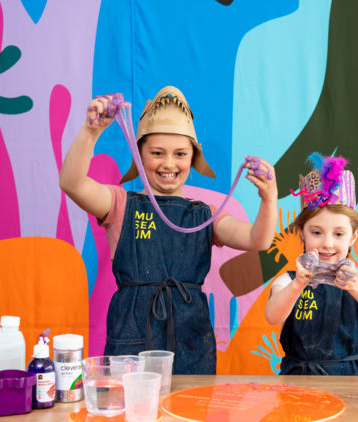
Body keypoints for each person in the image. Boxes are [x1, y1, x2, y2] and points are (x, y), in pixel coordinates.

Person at [59, 86, 277, 374]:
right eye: (157, 153)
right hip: (131, 340)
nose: (169, 163)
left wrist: (269, 198)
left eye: (180, 154)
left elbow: (257, 240)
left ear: (193, 158)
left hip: (191, 341)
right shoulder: (120, 204)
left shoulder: (205, 216)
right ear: (139, 156)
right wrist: (90, 132)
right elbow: (71, 183)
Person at [264, 153, 358, 375]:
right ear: (302, 234)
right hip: (298, 380)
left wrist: (356, 286)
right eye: (316, 232)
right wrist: (297, 286)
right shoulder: (288, 281)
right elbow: (272, 317)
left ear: (353, 236)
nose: (327, 243)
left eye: (339, 234)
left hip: (347, 380)